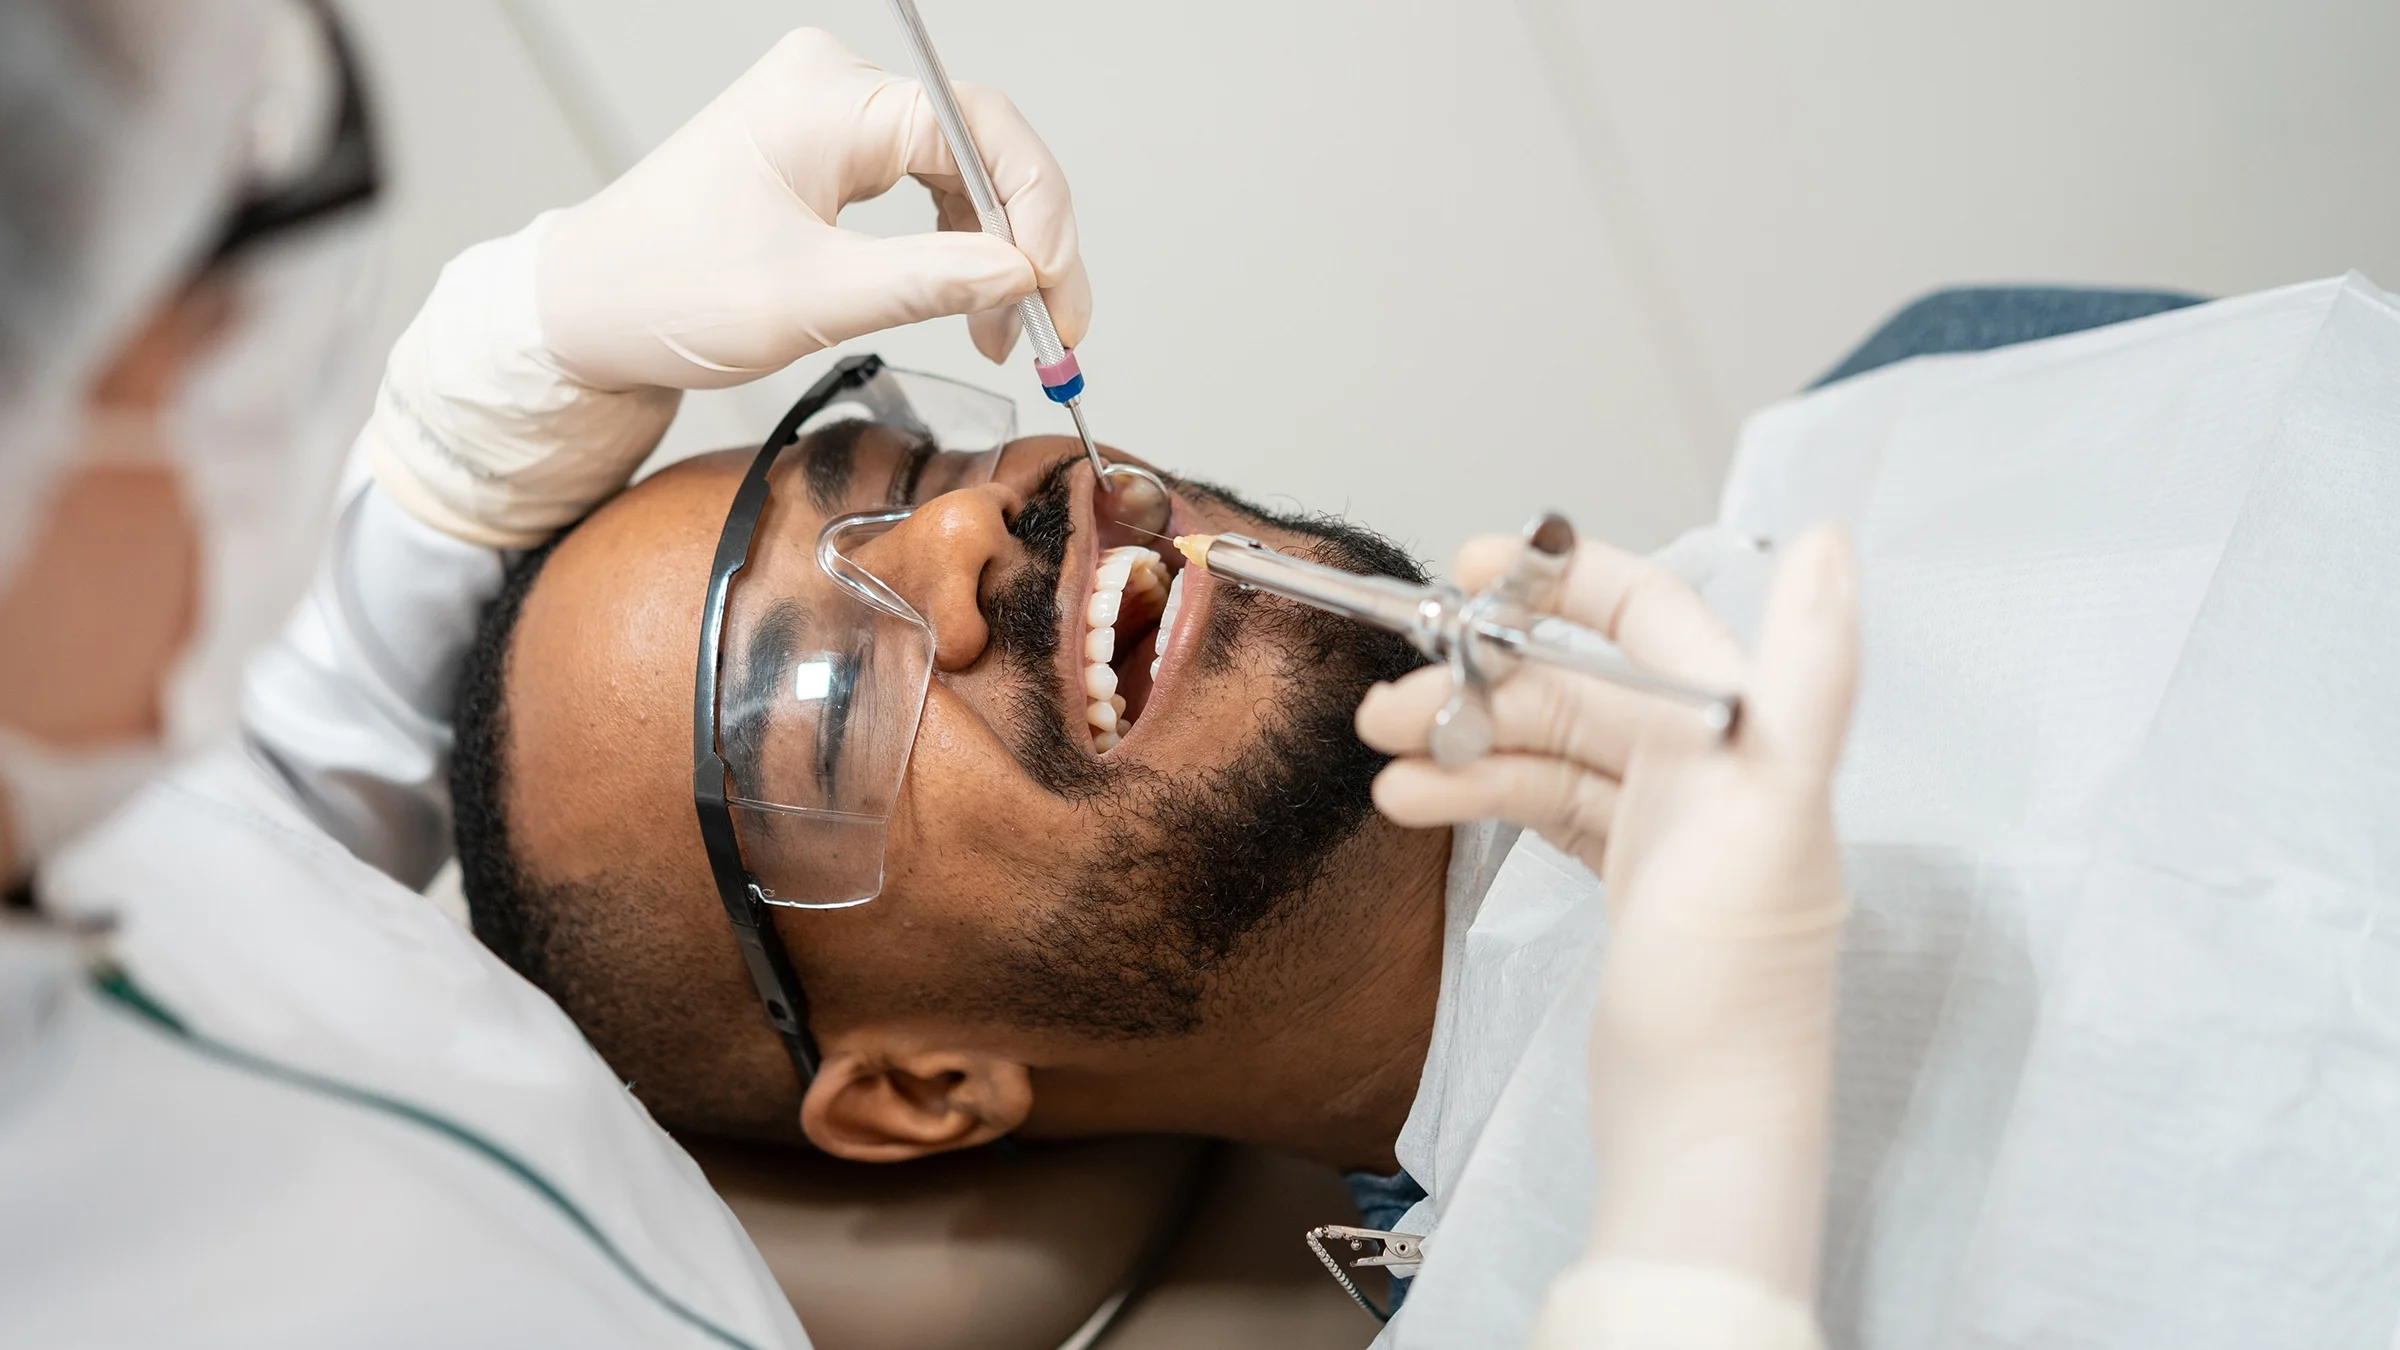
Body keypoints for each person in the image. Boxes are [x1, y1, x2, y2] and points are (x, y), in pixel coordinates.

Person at [351, 270, 2400, 1349]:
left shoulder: (1938, 392)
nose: (974, 537)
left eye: (894, 469)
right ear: (921, 1094)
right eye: (805, 701)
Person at [2, 7, 1094, 1344]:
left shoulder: (97, 792)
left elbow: (254, 807)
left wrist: (500, 387)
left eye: (903, 474)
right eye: (831, 708)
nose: (973, 526)